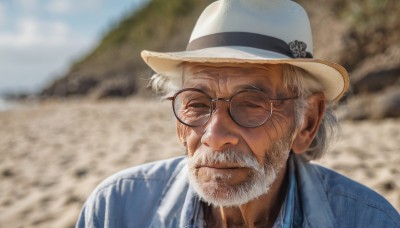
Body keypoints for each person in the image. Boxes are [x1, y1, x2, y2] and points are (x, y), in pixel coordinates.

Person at [77, 0, 400, 227]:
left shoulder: (369, 221)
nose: (215, 137)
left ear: (307, 122)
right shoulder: (115, 210)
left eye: (250, 104)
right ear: (179, 124)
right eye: (197, 104)